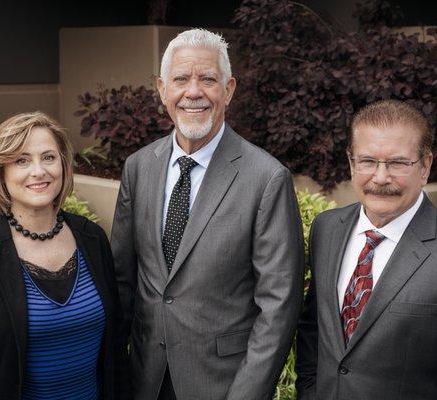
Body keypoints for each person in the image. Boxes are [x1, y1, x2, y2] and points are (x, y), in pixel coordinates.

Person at [112, 28, 304, 400]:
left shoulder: (266, 179)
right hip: (144, 380)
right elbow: (123, 281)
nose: (193, 92)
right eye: (181, 79)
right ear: (162, 89)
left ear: (228, 89)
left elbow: (278, 307)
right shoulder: (138, 168)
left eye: (208, 79)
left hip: (222, 385)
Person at [295, 99, 437, 399]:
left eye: (397, 163)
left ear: (425, 166)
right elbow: (313, 333)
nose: (381, 178)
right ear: (352, 163)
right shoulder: (326, 230)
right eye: (368, 161)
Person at [0, 112, 129, 399]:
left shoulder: (92, 238)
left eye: (48, 157)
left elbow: (115, 349)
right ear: (1, 172)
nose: (38, 171)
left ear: (63, 165)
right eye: (22, 160)